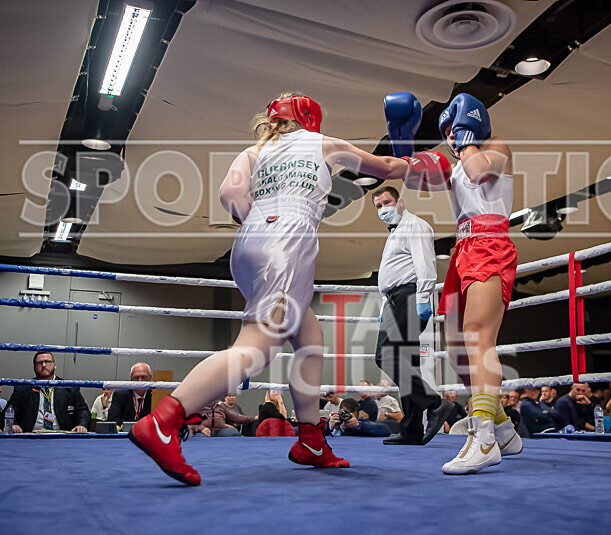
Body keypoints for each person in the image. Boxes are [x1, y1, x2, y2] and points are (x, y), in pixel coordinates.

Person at [129, 92, 451, 485]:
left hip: (251, 242)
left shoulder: (253, 151)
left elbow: (229, 196)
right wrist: (415, 161)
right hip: (286, 242)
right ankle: (164, 420)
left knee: (309, 336)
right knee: (258, 346)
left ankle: (311, 440)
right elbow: (383, 166)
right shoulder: (322, 142)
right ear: (309, 119)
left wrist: (261, 223)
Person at [387, 91, 520, 474]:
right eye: (445, 131)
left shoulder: (494, 146)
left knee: (479, 339)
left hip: (491, 244)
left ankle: (484, 439)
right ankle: (504, 429)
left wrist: (466, 139)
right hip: (463, 250)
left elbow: (480, 172)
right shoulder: (455, 163)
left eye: (453, 128)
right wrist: (404, 144)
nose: (450, 136)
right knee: (459, 354)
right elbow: (414, 177)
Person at [371, 182, 452, 445]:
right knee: (405, 362)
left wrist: (423, 299)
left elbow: (425, 264)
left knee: (385, 356)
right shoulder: (393, 234)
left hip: (409, 296)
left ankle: (435, 403)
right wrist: (385, 308)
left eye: (386, 203)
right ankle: (412, 428)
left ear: (400, 202)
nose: (383, 209)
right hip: (394, 300)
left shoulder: (414, 225)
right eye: (378, 206)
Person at [6, 351, 90, 433]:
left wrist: (82, 425)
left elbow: (83, 411)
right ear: (34, 367)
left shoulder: (69, 387)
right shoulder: (23, 388)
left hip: (62, 437)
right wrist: (14, 424)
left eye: (47, 362)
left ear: (55, 365)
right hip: (30, 436)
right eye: (39, 363)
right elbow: (9, 410)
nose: (44, 365)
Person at [326, 398, 391, 437]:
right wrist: (329, 428)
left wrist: (358, 425)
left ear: (357, 415)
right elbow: (317, 432)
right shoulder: (334, 421)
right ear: (339, 413)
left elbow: (386, 430)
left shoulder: (362, 423)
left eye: (350, 416)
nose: (346, 418)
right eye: (344, 415)